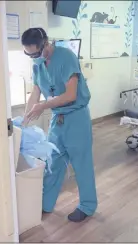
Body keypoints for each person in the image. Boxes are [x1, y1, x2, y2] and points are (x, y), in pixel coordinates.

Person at [21, 27, 97, 222]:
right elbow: (36, 93)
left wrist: (42, 106)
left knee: (81, 164)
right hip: (58, 119)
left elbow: (71, 95)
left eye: (36, 53)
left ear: (46, 43)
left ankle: (87, 206)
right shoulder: (37, 64)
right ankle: (46, 203)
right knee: (53, 162)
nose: (34, 57)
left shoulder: (66, 57)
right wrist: (24, 119)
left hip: (76, 117)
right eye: (29, 55)